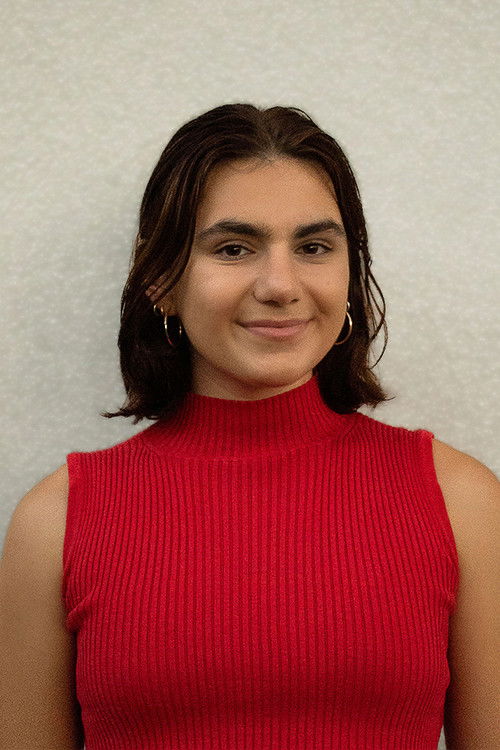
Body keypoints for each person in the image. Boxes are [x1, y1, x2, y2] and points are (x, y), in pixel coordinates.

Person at [1, 103, 498, 750]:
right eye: (233, 248)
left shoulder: (461, 502)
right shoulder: (55, 522)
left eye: (314, 247)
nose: (280, 285)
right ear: (161, 278)